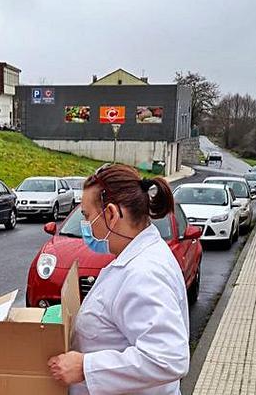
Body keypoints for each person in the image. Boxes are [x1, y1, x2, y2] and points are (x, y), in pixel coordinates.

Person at [48, 164, 189, 394]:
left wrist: (86, 367)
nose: (86, 225)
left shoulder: (144, 273)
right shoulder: (136, 257)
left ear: (111, 214)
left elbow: (168, 358)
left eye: (87, 216)